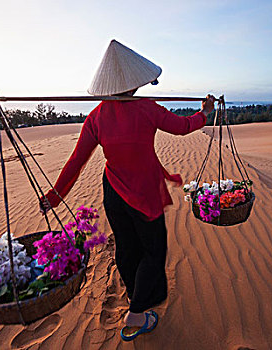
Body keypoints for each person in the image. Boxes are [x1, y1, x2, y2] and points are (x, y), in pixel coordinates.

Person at [40, 39, 215, 341]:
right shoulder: (147, 108)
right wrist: (205, 112)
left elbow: (76, 161)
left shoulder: (96, 116)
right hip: (144, 191)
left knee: (126, 246)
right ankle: (136, 314)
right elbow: (184, 127)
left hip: (114, 191)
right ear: (136, 82)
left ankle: (135, 293)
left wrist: (55, 196)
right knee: (153, 249)